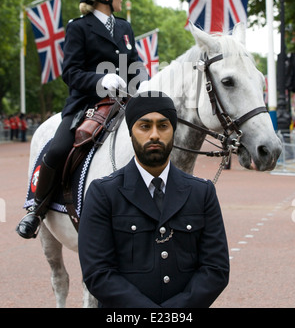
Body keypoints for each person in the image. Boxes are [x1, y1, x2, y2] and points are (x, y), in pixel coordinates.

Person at [16, 0, 148, 239]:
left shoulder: (124, 27)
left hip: (123, 102)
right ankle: (36, 210)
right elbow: (71, 72)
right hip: (86, 104)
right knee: (56, 150)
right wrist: (101, 82)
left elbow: (133, 62)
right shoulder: (79, 28)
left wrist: (143, 77)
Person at [78, 91, 229, 308]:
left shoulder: (202, 193)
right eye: (145, 126)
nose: (155, 135)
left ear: (174, 132)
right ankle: (38, 205)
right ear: (131, 132)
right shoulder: (103, 193)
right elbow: (98, 273)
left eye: (163, 126)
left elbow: (216, 269)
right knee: (58, 152)